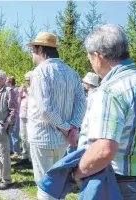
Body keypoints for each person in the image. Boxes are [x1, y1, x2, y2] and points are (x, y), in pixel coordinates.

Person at [70, 24, 136, 200]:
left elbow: (104, 149)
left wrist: (78, 173)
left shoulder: (111, 90)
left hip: (118, 186)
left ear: (98, 57)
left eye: (90, 59)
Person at [26, 32, 87, 195]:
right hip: (63, 140)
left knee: (45, 185)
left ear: (40, 50)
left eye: (33, 50)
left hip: (43, 137)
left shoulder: (40, 72)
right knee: (58, 184)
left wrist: (68, 128)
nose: (32, 54)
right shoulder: (71, 72)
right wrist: (73, 127)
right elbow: (81, 102)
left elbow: (45, 108)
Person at [18, 71, 32, 163]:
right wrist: (20, 93)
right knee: (23, 136)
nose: (27, 82)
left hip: (30, 116)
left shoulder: (33, 90)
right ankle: (25, 154)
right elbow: (18, 102)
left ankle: (31, 156)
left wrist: (27, 92)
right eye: (26, 80)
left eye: (28, 80)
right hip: (22, 115)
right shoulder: (25, 90)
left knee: (29, 136)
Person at [5, 76, 21, 157]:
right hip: (9, 113)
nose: (5, 82)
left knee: (15, 132)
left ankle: (16, 151)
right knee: (9, 132)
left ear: (10, 82)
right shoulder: (7, 90)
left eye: (6, 81)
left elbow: (18, 102)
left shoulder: (16, 90)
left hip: (16, 114)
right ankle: (10, 149)